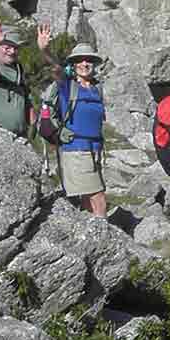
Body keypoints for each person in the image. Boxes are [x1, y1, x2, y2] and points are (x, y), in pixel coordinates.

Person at [56, 45, 110, 217]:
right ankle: (104, 232)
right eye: (79, 60)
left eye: (89, 60)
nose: (85, 64)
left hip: (95, 150)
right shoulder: (67, 86)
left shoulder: (96, 88)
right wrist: (45, 50)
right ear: (73, 65)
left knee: (88, 199)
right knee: (99, 199)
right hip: (77, 149)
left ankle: (90, 230)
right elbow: (55, 69)